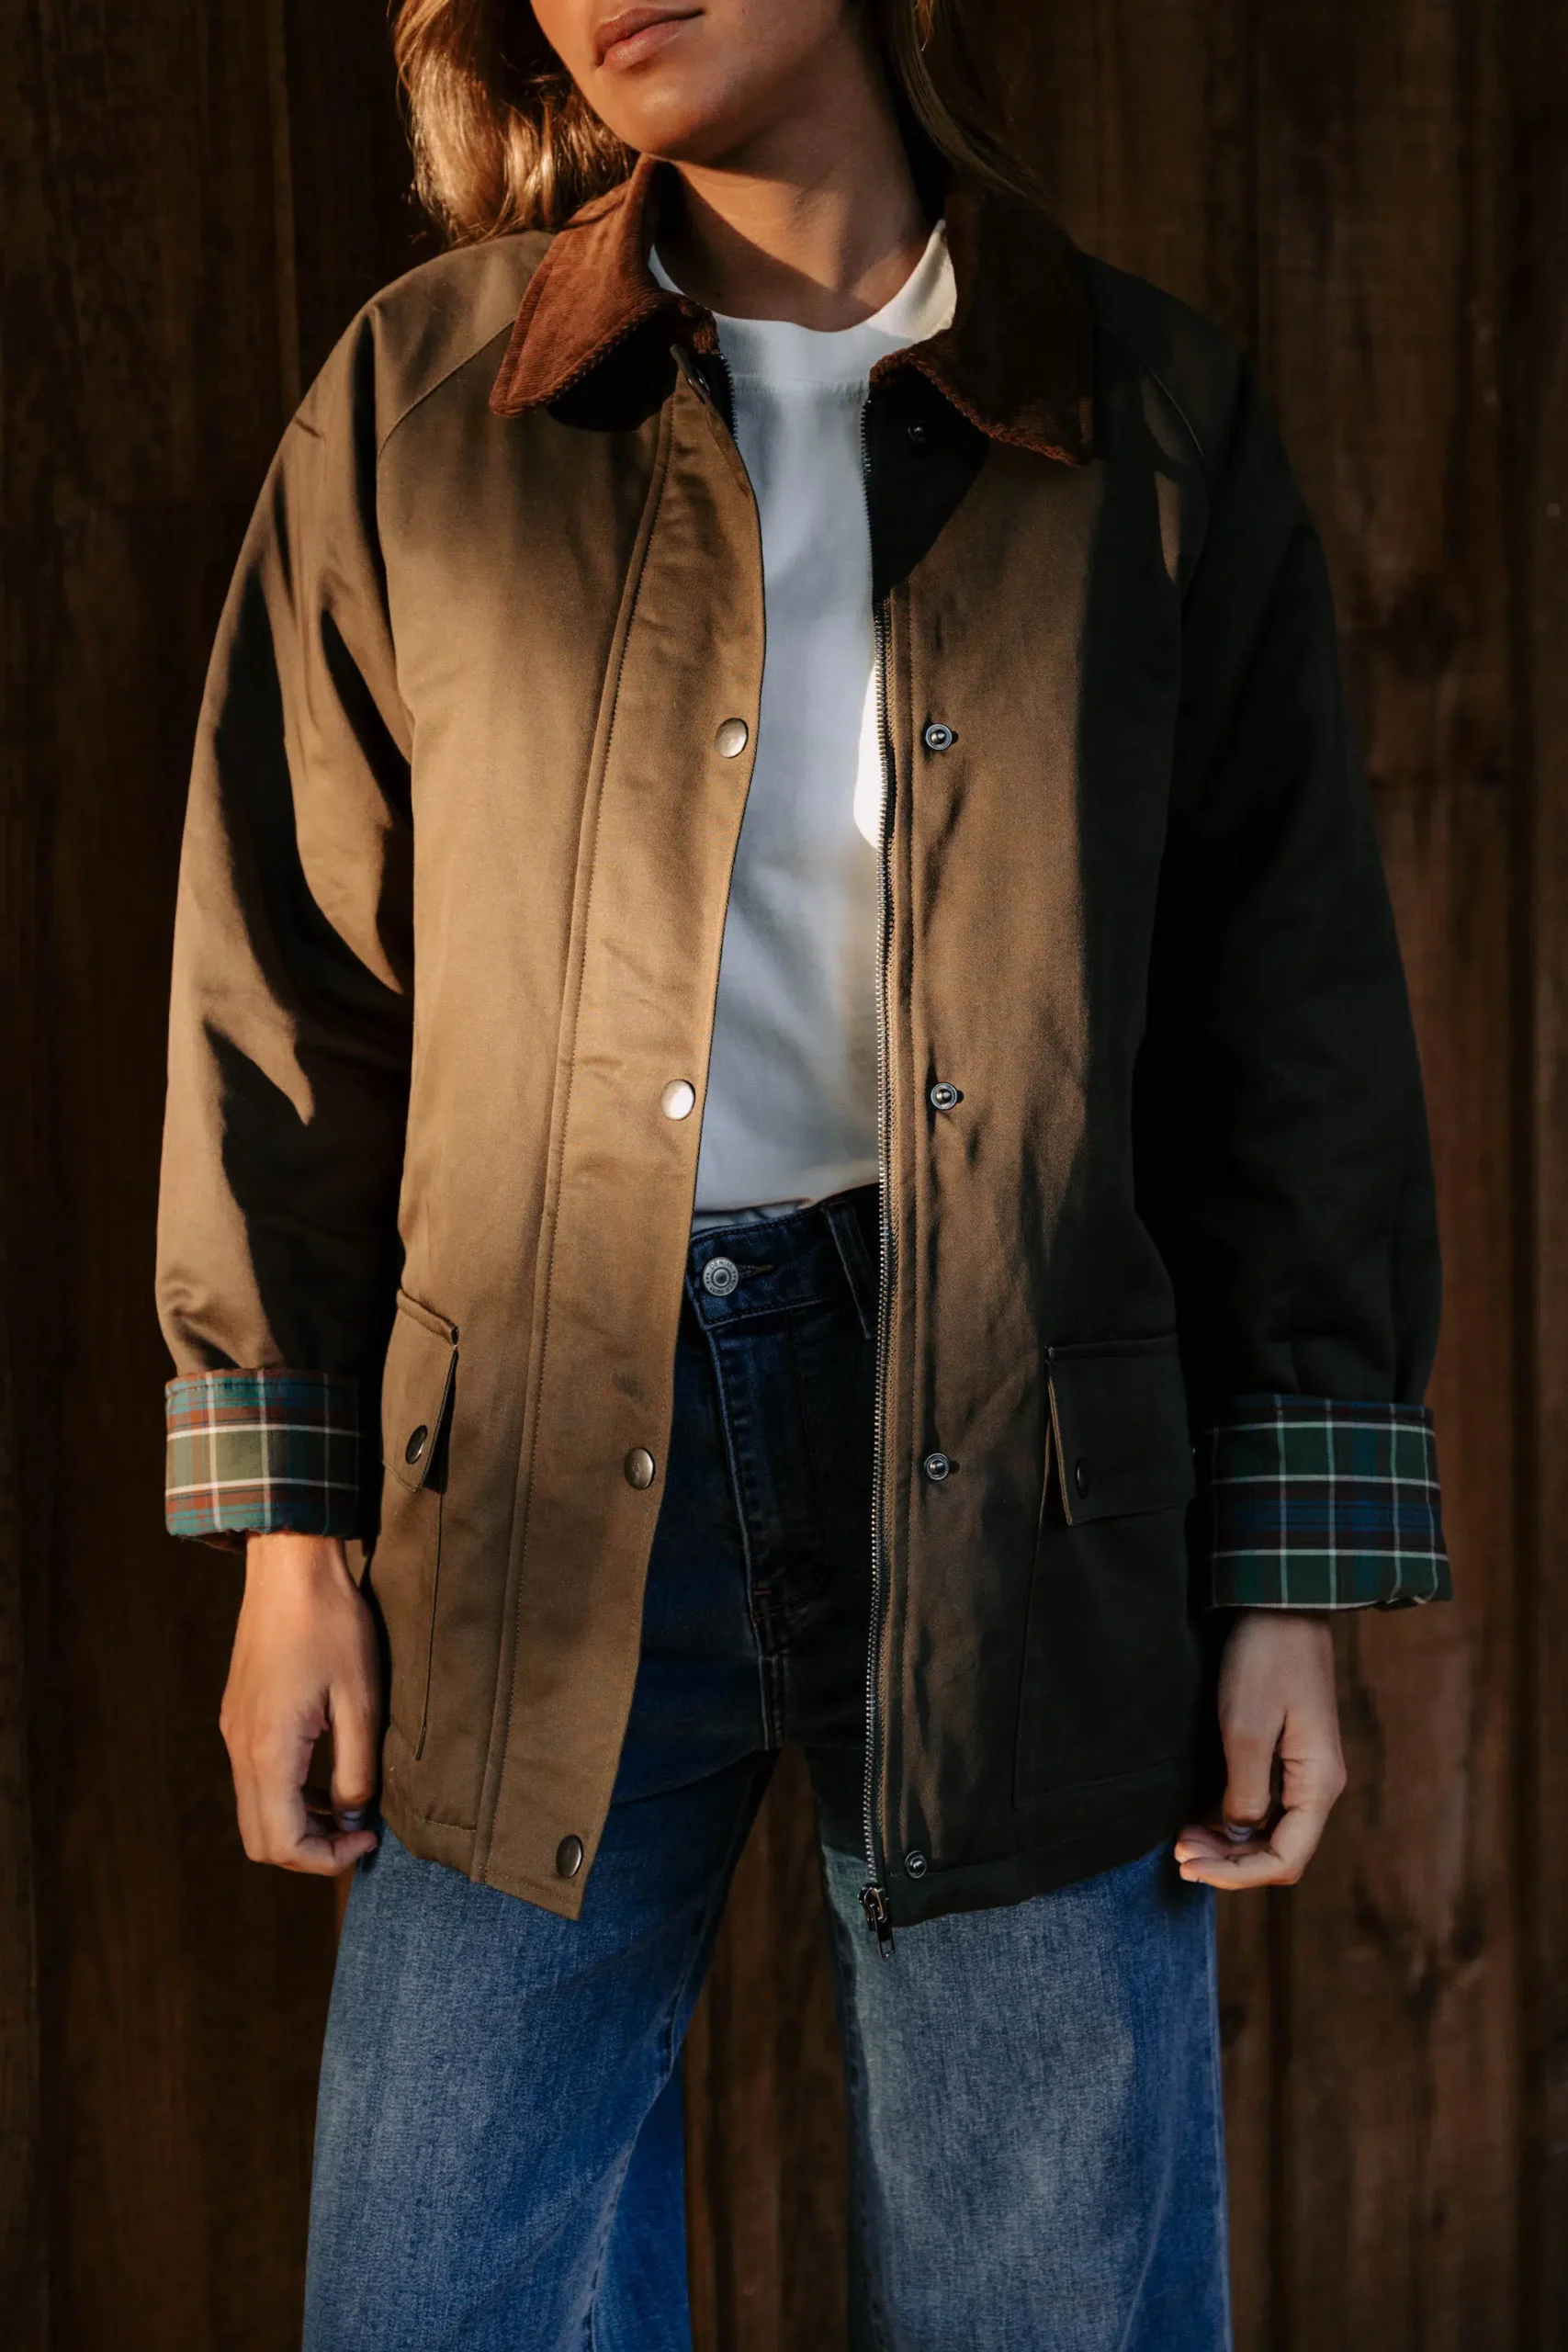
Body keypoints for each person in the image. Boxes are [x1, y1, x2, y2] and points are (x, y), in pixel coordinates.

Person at [155, 2, 1451, 2345]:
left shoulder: (1145, 414)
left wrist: (1291, 1577)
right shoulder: (422, 402)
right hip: (526, 1469)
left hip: (1028, 1489)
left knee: (1041, 2299)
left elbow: (1287, 1031)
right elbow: (290, 980)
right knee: (440, 2289)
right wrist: (286, 1535)